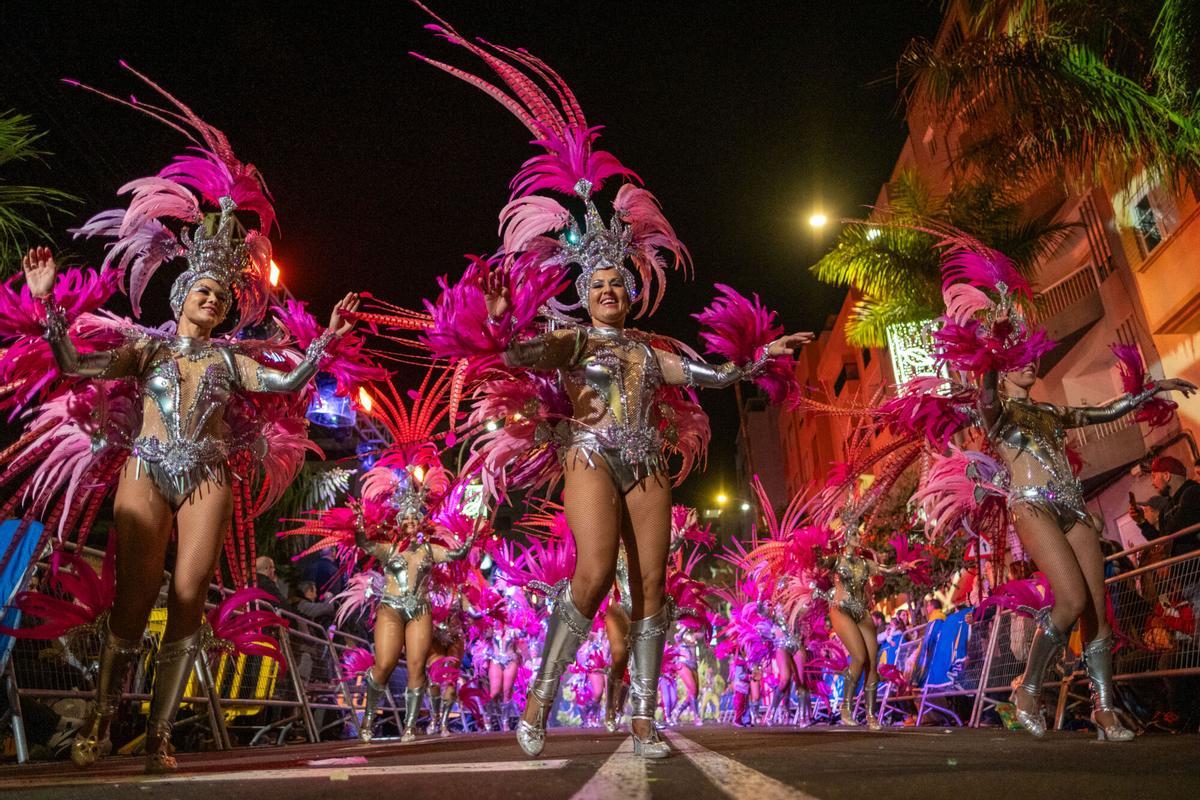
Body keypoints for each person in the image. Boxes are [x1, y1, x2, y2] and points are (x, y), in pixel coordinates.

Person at [413, 10, 811, 760]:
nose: (606, 290)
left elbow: (713, 373)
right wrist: (498, 318)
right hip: (591, 453)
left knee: (651, 588)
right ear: (583, 291)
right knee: (594, 574)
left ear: (629, 291)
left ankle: (645, 719)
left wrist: (758, 357)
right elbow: (521, 351)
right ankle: (539, 698)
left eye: (615, 282)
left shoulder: (651, 351)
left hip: (646, 461)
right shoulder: (570, 341)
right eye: (595, 282)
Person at [979, 313, 1196, 741]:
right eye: (1018, 358)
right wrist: (990, 349)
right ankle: (1029, 690)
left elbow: (1103, 411)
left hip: (1072, 509)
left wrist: (1151, 389)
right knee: (1072, 599)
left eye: (1032, 356)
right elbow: (985, 392)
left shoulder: (1049, 411)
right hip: (1032, 506)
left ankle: (1104, 710)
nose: (1029, 364)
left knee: (1097, 611)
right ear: (1003, 367)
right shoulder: (997, 414)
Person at [353, 490, 478, 743]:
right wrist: (358, 524)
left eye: (415, 518)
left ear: (421, 523)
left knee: (417, 666)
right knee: (384, 664)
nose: (410, 522)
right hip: (391, 609)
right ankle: (368, 718)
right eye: (406, 519)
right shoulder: (389, 550)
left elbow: (457, 555)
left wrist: (470, 537)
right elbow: (364, 543)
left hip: (420, 610)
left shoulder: (429, 551)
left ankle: (410, 726)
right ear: (399, 523)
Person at [1130, 456, 1200, 556]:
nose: (1152, 483)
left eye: (1154, 477)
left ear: (1166, 476)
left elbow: (1173, 531)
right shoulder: (1167, 506)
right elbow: (1162, 542)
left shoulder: (1193, 492)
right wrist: (1141, 521)